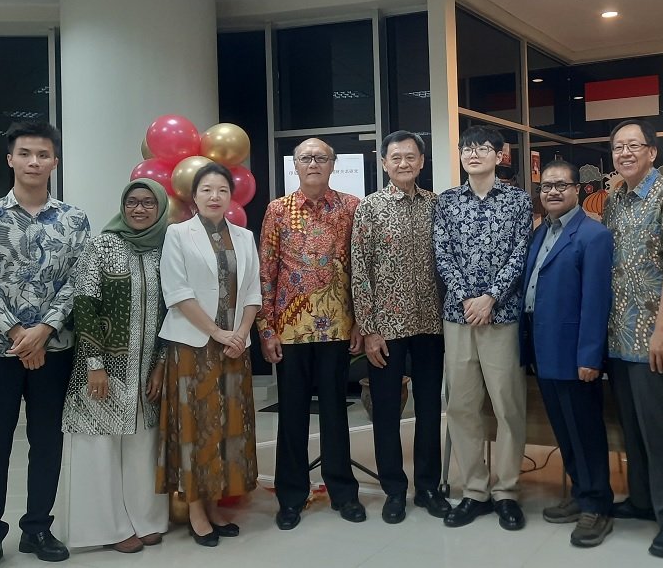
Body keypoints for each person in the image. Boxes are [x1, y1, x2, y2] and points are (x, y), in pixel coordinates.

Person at [0, 121, 89, 568]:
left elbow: (78, 281)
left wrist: (45, 330)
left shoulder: (74, 220)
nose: (34, 162)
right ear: (10, 159)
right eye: (26, 154)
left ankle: (37, 528)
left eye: (43, 154)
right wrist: (19, 334)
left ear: (54, 161)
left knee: (47, 442)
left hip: (54, 350)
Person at [257, 138, 365, 530]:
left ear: (333, 164)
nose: (313, 163)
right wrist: (266, 329)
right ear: (295, 166)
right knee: (292, 416)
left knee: (336, 414)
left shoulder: (352, 208)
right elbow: (266, 272)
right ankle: (291, 496)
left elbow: (360, 270)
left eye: (321, 157)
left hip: (338, 329)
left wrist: (360, 322)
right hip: (290, 333)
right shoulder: (278, 210)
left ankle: (343, 492)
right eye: (306, 158)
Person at [602, 118, 663, 559]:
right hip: (617, 334)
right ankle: (642, 501)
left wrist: (662, 329)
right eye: (618, 146)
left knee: (662, 432)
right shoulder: (614, 197)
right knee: (633, 427)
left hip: (653, 336)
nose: (624, 153)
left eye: (633, 146)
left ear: (652, 152)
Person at [61, 179, 170, 553]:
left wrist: (160, 365)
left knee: (143, 445)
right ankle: (107, 528)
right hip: (102, 369)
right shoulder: (102, 245)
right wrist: (94, 364)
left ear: (159, 208)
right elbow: (84, 305)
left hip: (145, 370)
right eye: (132, 202)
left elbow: (172, 312)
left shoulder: (164, 249)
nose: (139, 210)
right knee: (100, 448)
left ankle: (145, 518)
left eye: (147, 203)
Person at [433, 125, 532, 531]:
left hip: (502, 317)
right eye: (467, 148)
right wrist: (467, 299)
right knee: (461, 404)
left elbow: (520, 253)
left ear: (499, 155)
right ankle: (474, 489)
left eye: (482, 148)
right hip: (458, 318)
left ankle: (506, 491)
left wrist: (490, 298)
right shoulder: (447, 201)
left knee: (508, 405)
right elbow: (442, 254)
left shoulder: (518, 200)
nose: (473, 154)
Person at [157, 163, 260, 547]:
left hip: (235, 346)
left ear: (230, 197)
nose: (214, 196)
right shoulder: (177, 235)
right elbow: (177, 292)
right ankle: (197, 509)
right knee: (195, 426)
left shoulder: (244, 237)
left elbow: (252, 292)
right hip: (192, 347)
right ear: (193, 196)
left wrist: (241, 333)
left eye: (221, 190)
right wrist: (217, 332)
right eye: (206, 190)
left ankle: (216, 504)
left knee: (227, 427)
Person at [350, 130, 449, 524]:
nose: (404, 163)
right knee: (387, 411)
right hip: (386, 330)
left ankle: (427, 487)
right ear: (384, 162)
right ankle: (394, 488)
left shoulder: (437, 205)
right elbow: (360, 270)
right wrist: (369, 328)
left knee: (429, 409)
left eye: (411, 157)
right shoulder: (370, 208)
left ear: (421, 162)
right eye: (396, 157)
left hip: (431, 325)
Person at [521, 160, 614, 548]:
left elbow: (596, 302)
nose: (553, 192)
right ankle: (580, 494)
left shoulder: (593, 235)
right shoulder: (540, 232)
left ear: (578, 190)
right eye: (547, 187)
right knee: (564, 429)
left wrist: (590, 357)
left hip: (575, 353)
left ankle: (598, 505)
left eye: (562, 185)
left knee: (586, 430)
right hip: (544, 350)